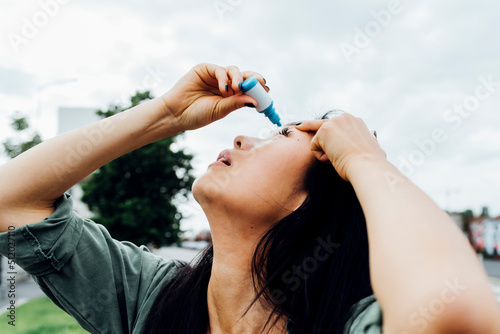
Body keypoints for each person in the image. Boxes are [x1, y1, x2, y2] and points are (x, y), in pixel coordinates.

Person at [0, 63, 499, 334]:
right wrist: (168, 114)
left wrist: (366, 161)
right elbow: (12, 203)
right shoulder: (154, 301)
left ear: (317, 203)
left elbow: (455, 318)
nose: (241, 138)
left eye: (281, 136)